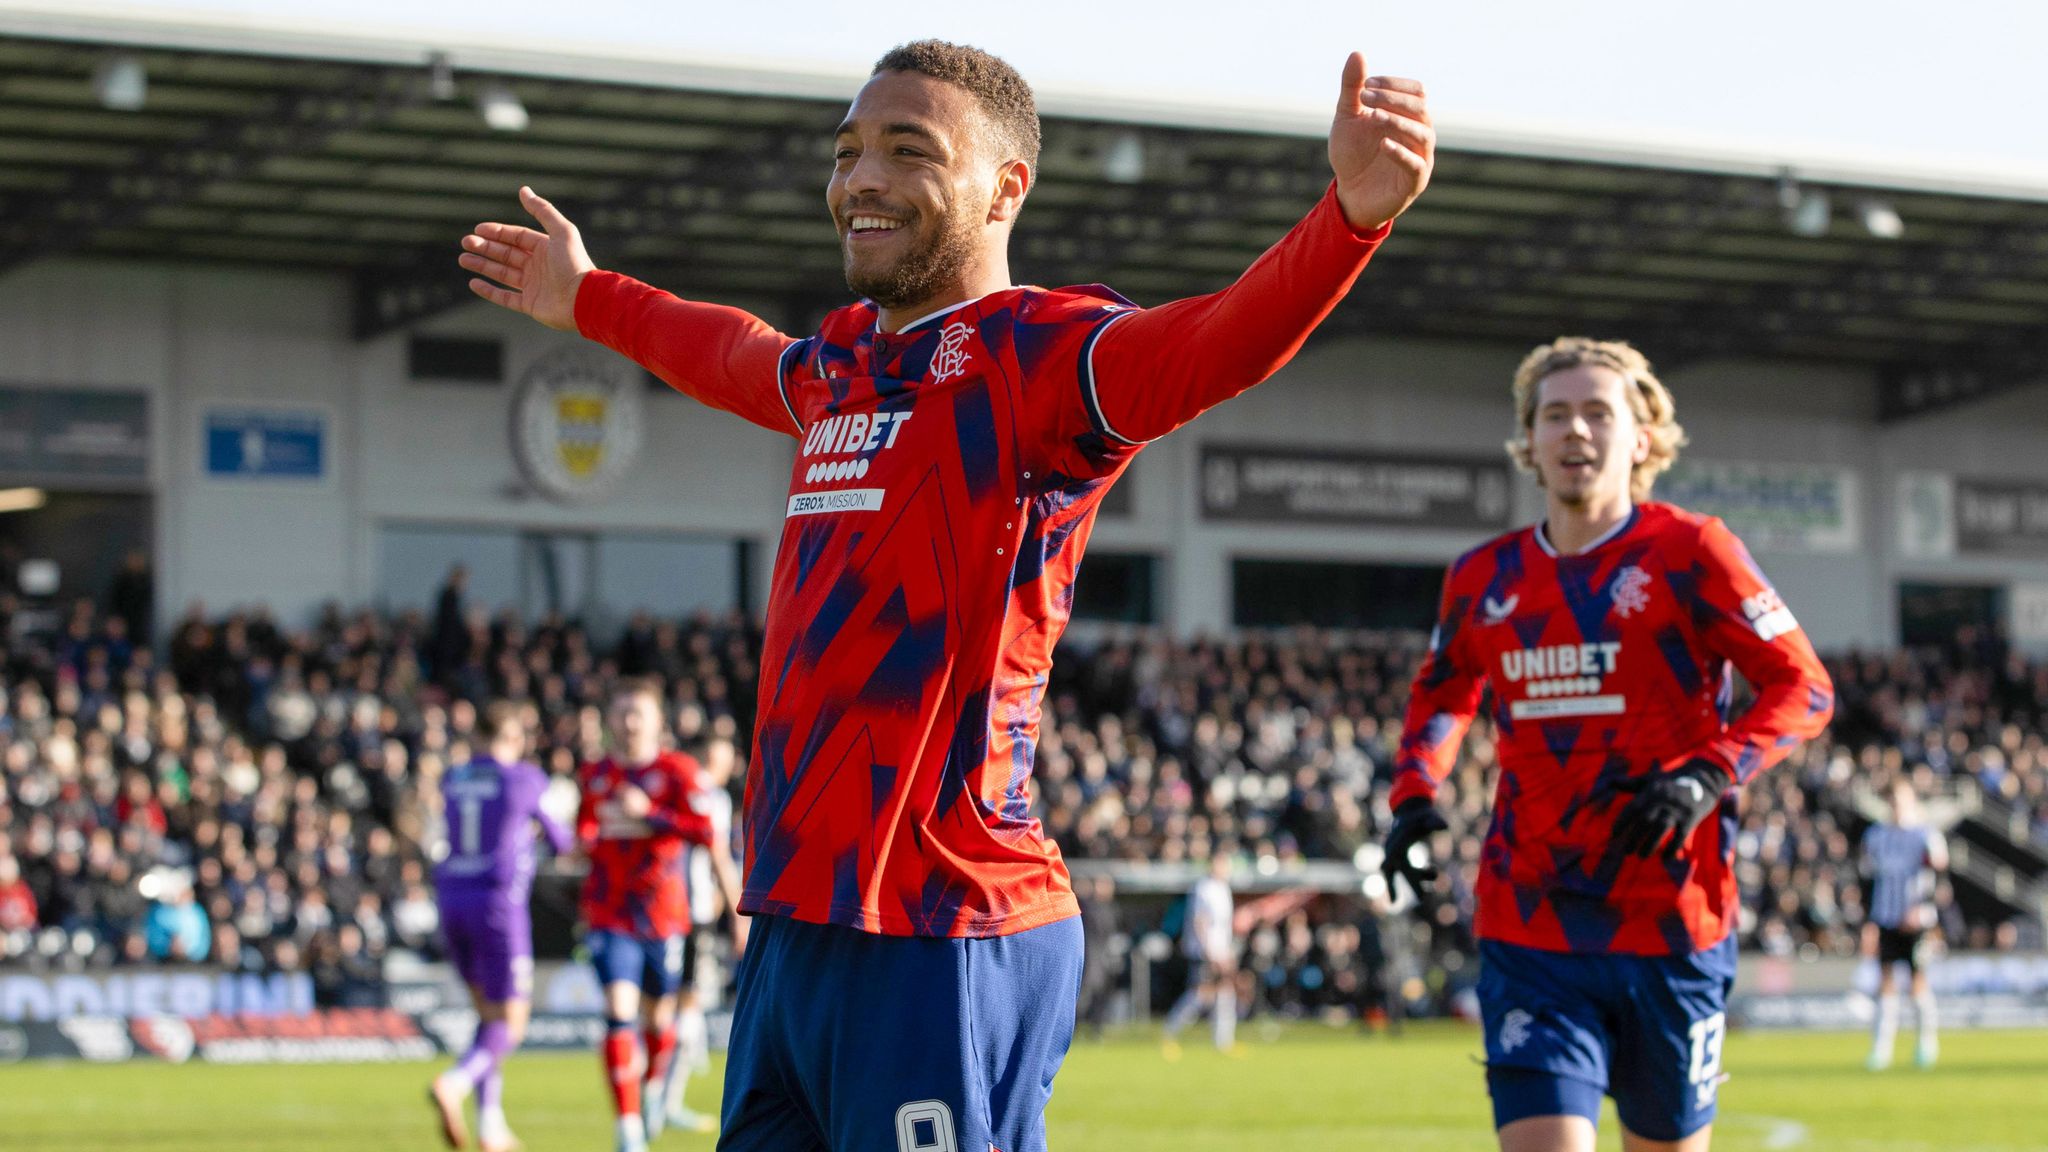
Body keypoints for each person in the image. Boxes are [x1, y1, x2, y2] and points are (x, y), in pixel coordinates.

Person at [460, 38, 1433, 1152]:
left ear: (1005, 185)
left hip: (945, 920)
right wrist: (589, 297)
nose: (859, 178)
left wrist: (1346, 222)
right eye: (847, 151)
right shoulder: (836, 368)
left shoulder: (1038, 357)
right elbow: (727, 349)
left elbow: (1211, 345)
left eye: (904, 149)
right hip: (796, 920)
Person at [1380, 337, 1835, 1152]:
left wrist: (1708, 773)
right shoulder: (1484, 576)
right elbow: (1443, 694)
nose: (1575, 431)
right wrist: (1413, 795)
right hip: (1531, 920)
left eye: (1599, 412)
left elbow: (1804, 687)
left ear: (1642, 439)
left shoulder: (1693, 553)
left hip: (1671, 922)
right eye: (1555, 415)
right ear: (1530, 441)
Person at [577, 678, 718, 1152]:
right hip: (609, 911)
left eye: (638, 713)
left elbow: (705, 830)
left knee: (659, 1020)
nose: (630, 722)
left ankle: (655, 1086)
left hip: (664, 914)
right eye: (621, 713)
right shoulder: (595, 774)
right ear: (610, 720)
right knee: (619, 1010)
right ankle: (629, 1127)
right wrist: (587, 840)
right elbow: (586, 827)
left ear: (658, 721)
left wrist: (651, 814)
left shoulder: (677, 770)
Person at [428, 701, 574, 1152]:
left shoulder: (453, 778)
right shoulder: (526, 778)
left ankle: (491, 1126)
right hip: (497, 904)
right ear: (514, 739)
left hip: (451, 900)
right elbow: (563, 840)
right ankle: (454, 1083)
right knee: (510, 1022)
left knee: (487, 1018)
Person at [659, 733, 747, 1133]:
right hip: (688, 913)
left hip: (678, 910)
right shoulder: (705, 795)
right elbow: (715, 854)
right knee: (683, 1006)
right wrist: (736, 910)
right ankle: (662, 1100)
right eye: (715, 757)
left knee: (674, 1005)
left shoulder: (685, 791)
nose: (721, 766)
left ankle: (661, 1098)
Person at [1860, 777, 1948, 1071]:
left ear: (1911, 800)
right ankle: (1881, 1049)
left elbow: (1940, 880)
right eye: (1892, 801)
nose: (1896, 806)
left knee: (1917, 982)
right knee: (1884, 982)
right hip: (1885, 916)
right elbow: (1868, 879)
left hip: (1917, 921)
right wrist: (1869, 920)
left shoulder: (1925, 835)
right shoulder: (1876, 836)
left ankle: (1926, 1043)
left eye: (1901, 800)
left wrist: (1922, 909)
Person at [1163, 851, 1239, 1058]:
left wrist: (1227, 950)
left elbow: (1224, 926)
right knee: (1200, 995)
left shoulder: (1224, 888)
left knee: (1225, 993)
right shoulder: (1204, 888)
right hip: (1205, 952)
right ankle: (1170, 1032)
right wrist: (1210, 951)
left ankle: (1223, 1042)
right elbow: (1200, 922)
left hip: (1221, 951)